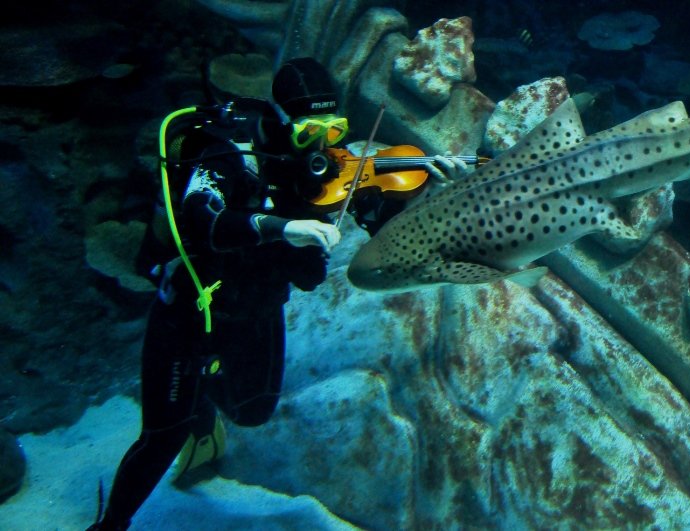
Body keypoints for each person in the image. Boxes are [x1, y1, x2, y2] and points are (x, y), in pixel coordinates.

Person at [88, 57, 467, 530]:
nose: (325, 148)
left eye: (335, 130)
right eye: (310, 133)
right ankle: (109, 524)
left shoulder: (336, 166)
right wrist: (282, 228)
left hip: (260, 308)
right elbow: (203, 219)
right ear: (283, 121)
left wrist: (432, 198)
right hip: (192, 310)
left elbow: (384, 228)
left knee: (253, 411)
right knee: (162, 437)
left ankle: (201, 394)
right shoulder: (226, 154)